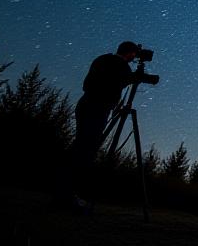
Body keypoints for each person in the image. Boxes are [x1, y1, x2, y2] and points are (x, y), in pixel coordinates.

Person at [57, 41, 141, 210]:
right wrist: (135, 77)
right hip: (99, 107)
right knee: (86, 150)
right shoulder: (121, 65)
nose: (135, 58)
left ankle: (63, 192)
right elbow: (121, 81)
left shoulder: (102, 59)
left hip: (85, 103)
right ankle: (68, 196)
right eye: (134, 54)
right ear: (130, 53)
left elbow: (92, 82)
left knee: (80, 146)